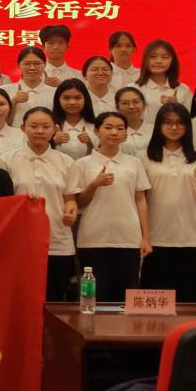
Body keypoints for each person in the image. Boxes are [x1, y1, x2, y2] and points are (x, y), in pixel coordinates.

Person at [0, 107, 79, 301]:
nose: (40, 131)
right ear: (22, 128)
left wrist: (71, 212)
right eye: (33, 126)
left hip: (58, 240)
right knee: (21, 298)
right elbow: (2, 202)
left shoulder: (66, 161)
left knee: (54, 299)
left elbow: (70, 199)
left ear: (56, 129)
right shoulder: (7, 160)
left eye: (45, 126)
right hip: (20, 241)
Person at [75, 111, 152, 303]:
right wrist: (95, 184)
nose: (114, 132)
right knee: (95, 297)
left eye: (120, 128)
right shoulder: (82, 164)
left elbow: (141, 200)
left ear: (126, 133)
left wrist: (146, 237)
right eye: (108, 127)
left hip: (129, 239)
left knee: (126, 298)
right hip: (93, 239)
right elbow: (79, 202)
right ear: (96, 131)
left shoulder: (134, 162)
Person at [139, 103, 196, 302]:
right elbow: (140, 199)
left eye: (180, 123)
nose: (174, 127)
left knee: (192, 299)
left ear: (187, 126)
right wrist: (144, 236)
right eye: (168, 122)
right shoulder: (144, 157)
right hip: (156, 237)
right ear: (159, 125)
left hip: (192, 237)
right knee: (155, 299)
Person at [131, 38, 191, 124]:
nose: (158, 61)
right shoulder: (133, 89)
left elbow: (189, 122)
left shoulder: (183, 89)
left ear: (172, 61)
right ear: (145, 59)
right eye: (153, 57)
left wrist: (175, 106)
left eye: (165, 57)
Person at [2, 47, 56, 127]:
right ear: (19, 65)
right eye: (27, 64)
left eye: (37, 63)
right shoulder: (4, 90)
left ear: (44, 65)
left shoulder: (55, 93)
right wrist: (13, 101)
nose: (32, 68)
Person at [51, 79, 98, 161]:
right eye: (66, 98)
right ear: (58, 100)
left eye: (77, 98)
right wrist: (53, 142)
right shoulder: (49, 126)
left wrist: (89, 144)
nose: (72, 102)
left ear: (85, 99)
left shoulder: (96, 126)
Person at [116, 87, 154, 157]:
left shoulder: (155, 130)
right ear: (117, 107)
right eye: (125, 103)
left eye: (136, 102)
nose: (131, 106)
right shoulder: (114, 132)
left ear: (144, 105)